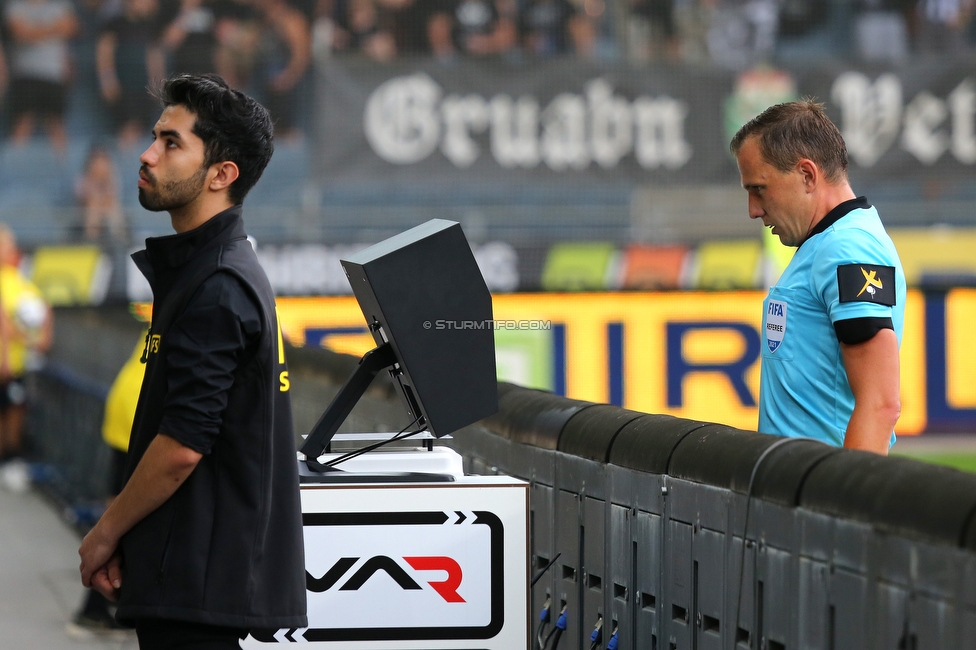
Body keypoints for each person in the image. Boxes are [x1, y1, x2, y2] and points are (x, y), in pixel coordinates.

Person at [77, 73, 307, 648]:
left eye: (171, 142)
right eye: (155, 136)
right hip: (192, 580)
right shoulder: (210, 268)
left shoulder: (219, 282)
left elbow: (183, 445)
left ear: (221, 175)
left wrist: (105, 532)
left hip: (200, 591)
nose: (148, 154)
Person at [730, 100, 905, 454]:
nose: (753, 210)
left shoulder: (847, 248)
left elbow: (881, 403)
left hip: (816, 500)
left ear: (808, 175)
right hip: (793, 495)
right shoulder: (829, 243)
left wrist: (840, 504)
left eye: (759, 189)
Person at [0, 225, 53, 468]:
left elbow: (43, 311)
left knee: (13, 410)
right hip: (9, 363)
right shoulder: (17, 284)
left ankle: (10, 458)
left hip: (14, 365)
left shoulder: (20, 284)